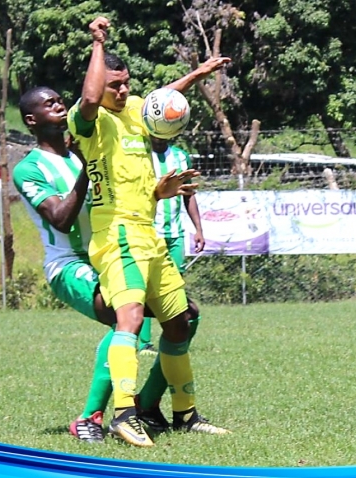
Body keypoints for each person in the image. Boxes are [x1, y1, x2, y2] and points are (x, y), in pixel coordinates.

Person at [68, 16, 231, 446]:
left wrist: (197, 74)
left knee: (180, 322)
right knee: (131, 320)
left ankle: (185, 414)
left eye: (125, 83)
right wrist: (98, 43)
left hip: (150, 233)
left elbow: (163, 100)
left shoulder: (137, 112)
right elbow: (87, 97)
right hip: (117, 236)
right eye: (113, 85)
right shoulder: (89, 122)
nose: (121, 91)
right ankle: (123, 414)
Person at [12, 86, 201, 443]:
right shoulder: (29, 168)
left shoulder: (88, 146)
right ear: (31, 120)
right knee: (121, 317)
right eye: (47, 102)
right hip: (69, 264)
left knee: (185, 317)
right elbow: (61, 219)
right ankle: (90, 417)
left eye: (58, 99)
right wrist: (91, 167)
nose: (57, 103)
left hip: (110, 248)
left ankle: (147, 405)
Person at [137, 136, 205, 357]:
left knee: (173, 287)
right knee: (146, 287)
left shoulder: (180, 157)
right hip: (149, 232)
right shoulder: (141, 154)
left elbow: (188, 194)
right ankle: (144, 343)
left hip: (175, 235)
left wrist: (198, 229)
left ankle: (175, 339)